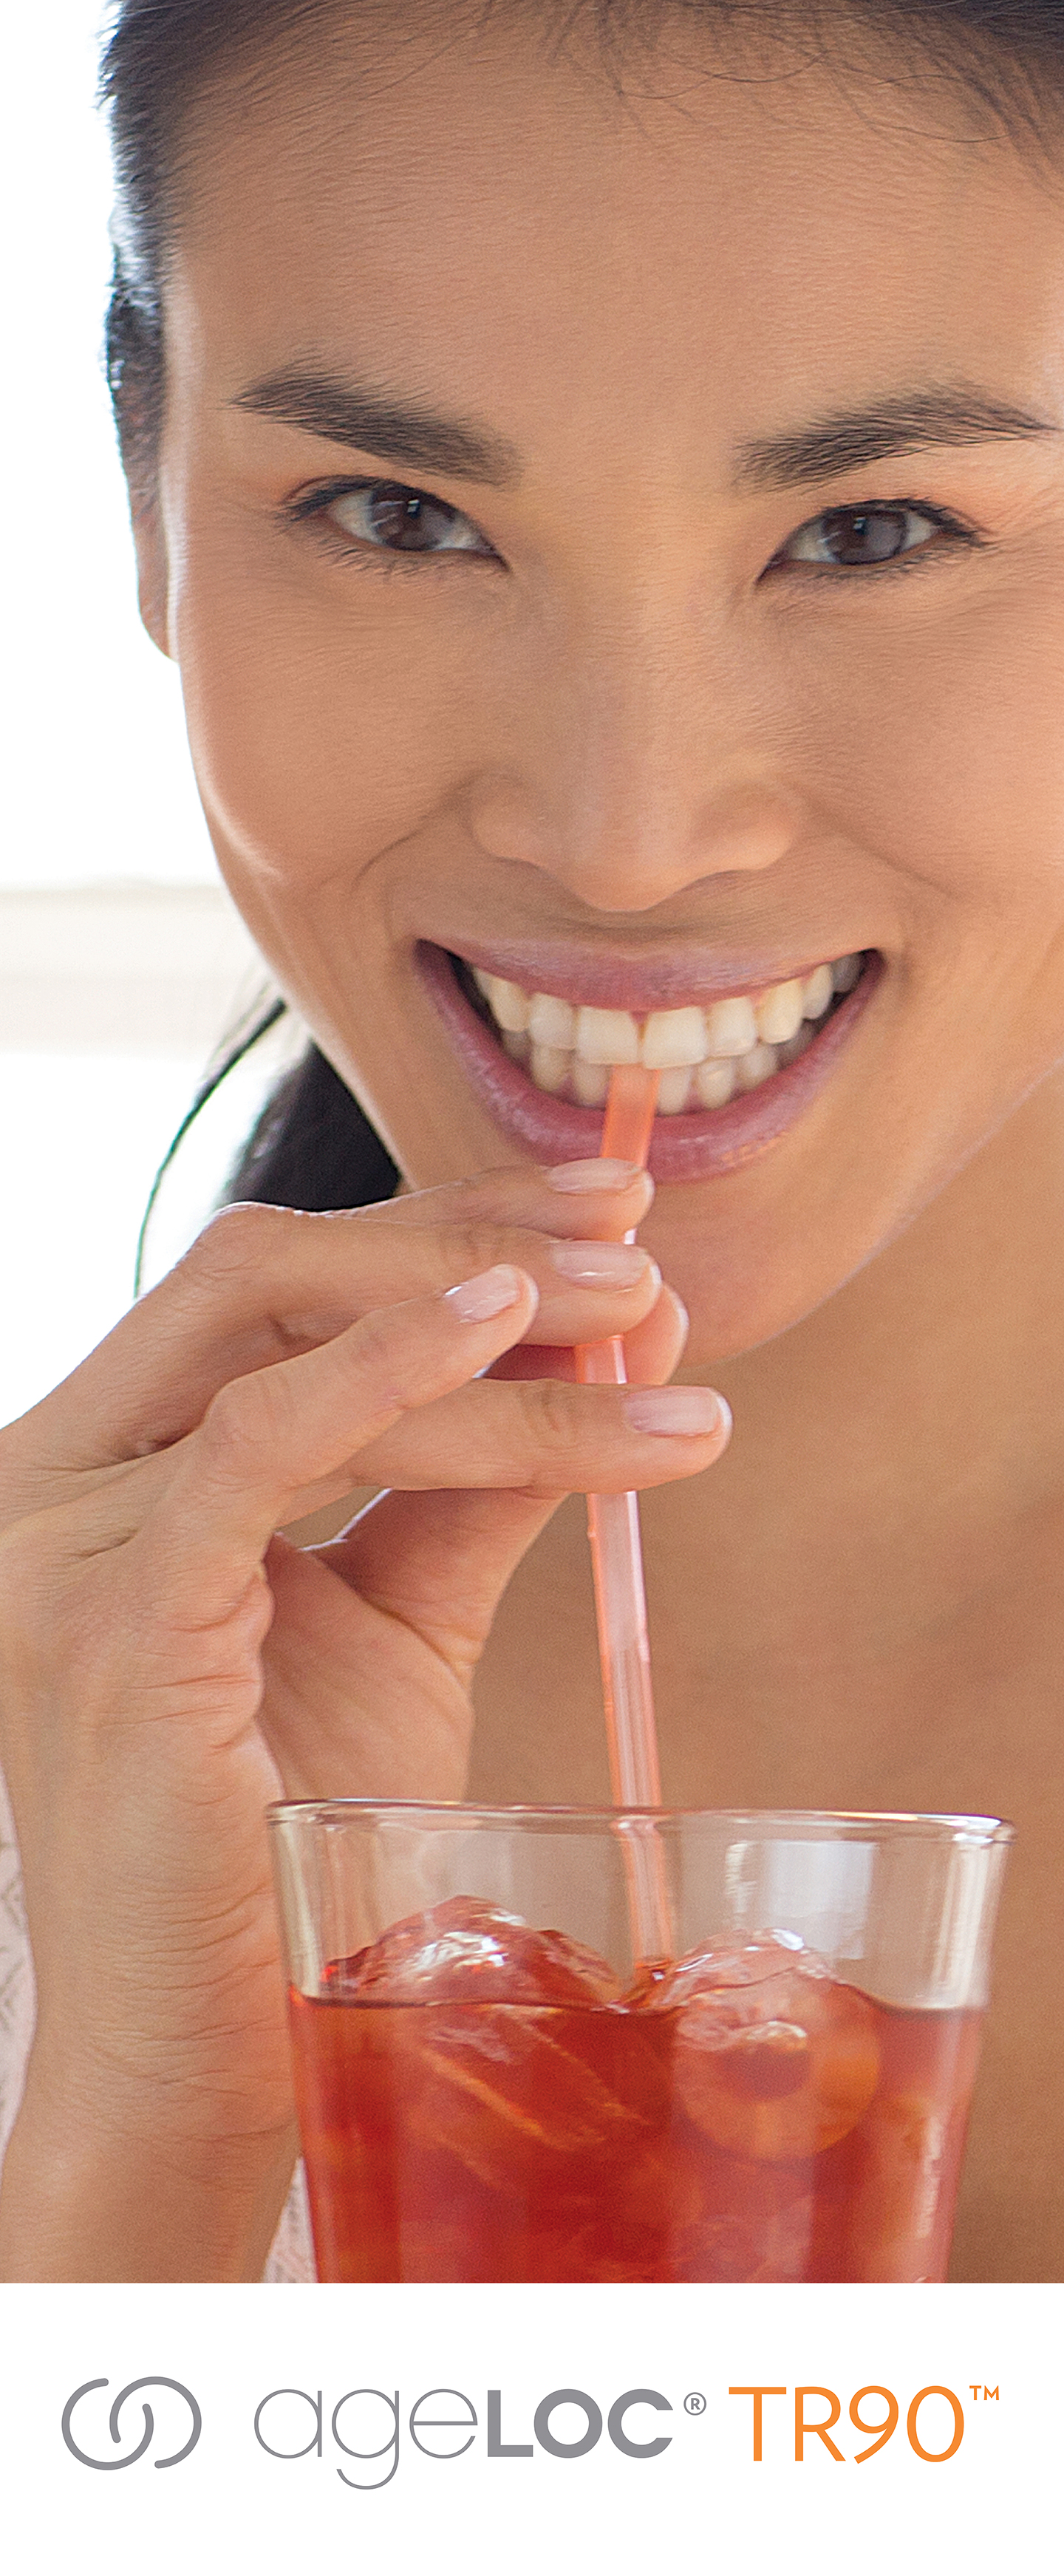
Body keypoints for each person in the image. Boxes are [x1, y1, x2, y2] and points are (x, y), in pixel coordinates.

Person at [1, 0, 1062, 2282]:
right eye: (396, 516)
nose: (624, 839)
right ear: (146, 509)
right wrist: (150, 2153)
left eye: (874, 530)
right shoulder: (79, 1762)